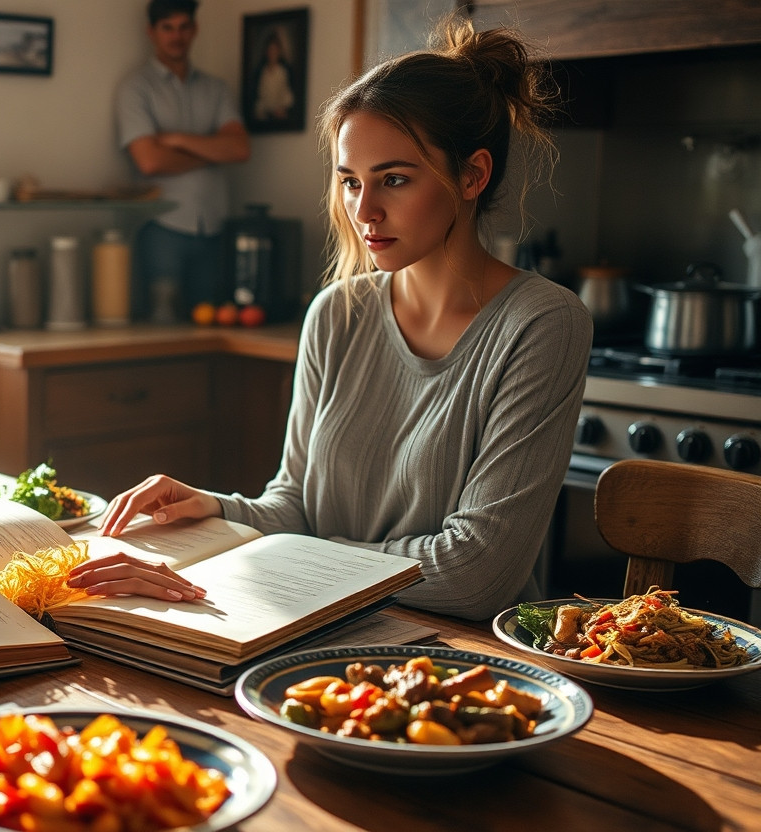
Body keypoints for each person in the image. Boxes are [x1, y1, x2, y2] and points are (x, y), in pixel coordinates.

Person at [73, 16, 591, 621]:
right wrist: (218, 510)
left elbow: (475, 575)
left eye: (394, 179)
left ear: (472, 175)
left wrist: (283, 553)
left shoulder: (543, 324)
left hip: (454, 660)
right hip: (311, 621)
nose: (364, 210)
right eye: (350, 182)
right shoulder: (336, 314)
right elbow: (294, 504)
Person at [115, 0, 249, 322]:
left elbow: (240, 149)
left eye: (184, 27)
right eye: (168, 28)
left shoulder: (215, 89)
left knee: (209, 325)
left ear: (195, 29)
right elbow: (149, 161)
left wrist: (177, 139)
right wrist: (211, 152)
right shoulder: (136, 88)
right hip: (163, 226)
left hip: (214, 225)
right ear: (152, 32)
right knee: (161, 326)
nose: (177, 36)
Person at [253, 29, 295, 122]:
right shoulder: (262, 72)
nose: (272, 53)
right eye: (270, 50)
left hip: (280, 113)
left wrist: (281, 109)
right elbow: (260, 96)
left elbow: (287, 95)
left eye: (275, 50)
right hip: (264, 114)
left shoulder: (282, 72)